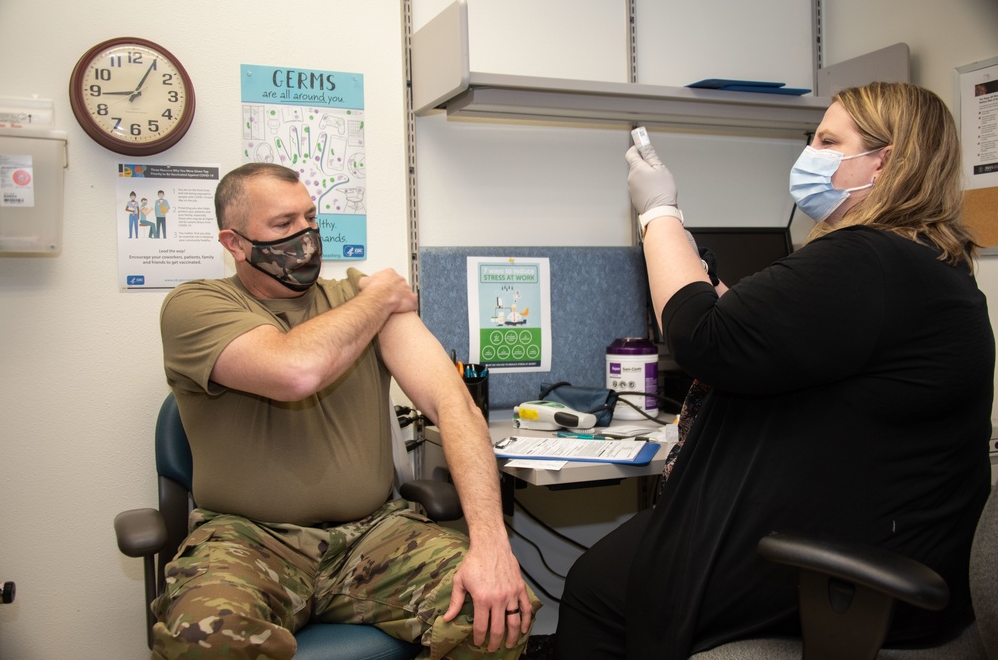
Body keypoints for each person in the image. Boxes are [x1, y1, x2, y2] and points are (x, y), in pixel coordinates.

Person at [555, 81, 994, 659]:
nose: (808, 154)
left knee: (598, 589)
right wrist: (708, 281)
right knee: (621, 566)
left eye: (828, 140)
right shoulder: (928, 264)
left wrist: (658, 213)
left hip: (851, 573)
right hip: (903, 548)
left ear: (883, 161)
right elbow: (774, 334)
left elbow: (700, 338)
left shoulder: (866, 258)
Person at [156, 162, 539, 659]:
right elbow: (295, 371)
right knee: (204, 639)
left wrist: (491, 545)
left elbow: (453, 405)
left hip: (373, 535)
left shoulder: (354, 298)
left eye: (310, 217)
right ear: (234, 243)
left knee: (498, 613)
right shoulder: (195, 306)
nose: (306, 236)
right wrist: (379, 296)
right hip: (247, 539)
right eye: (282, 225)